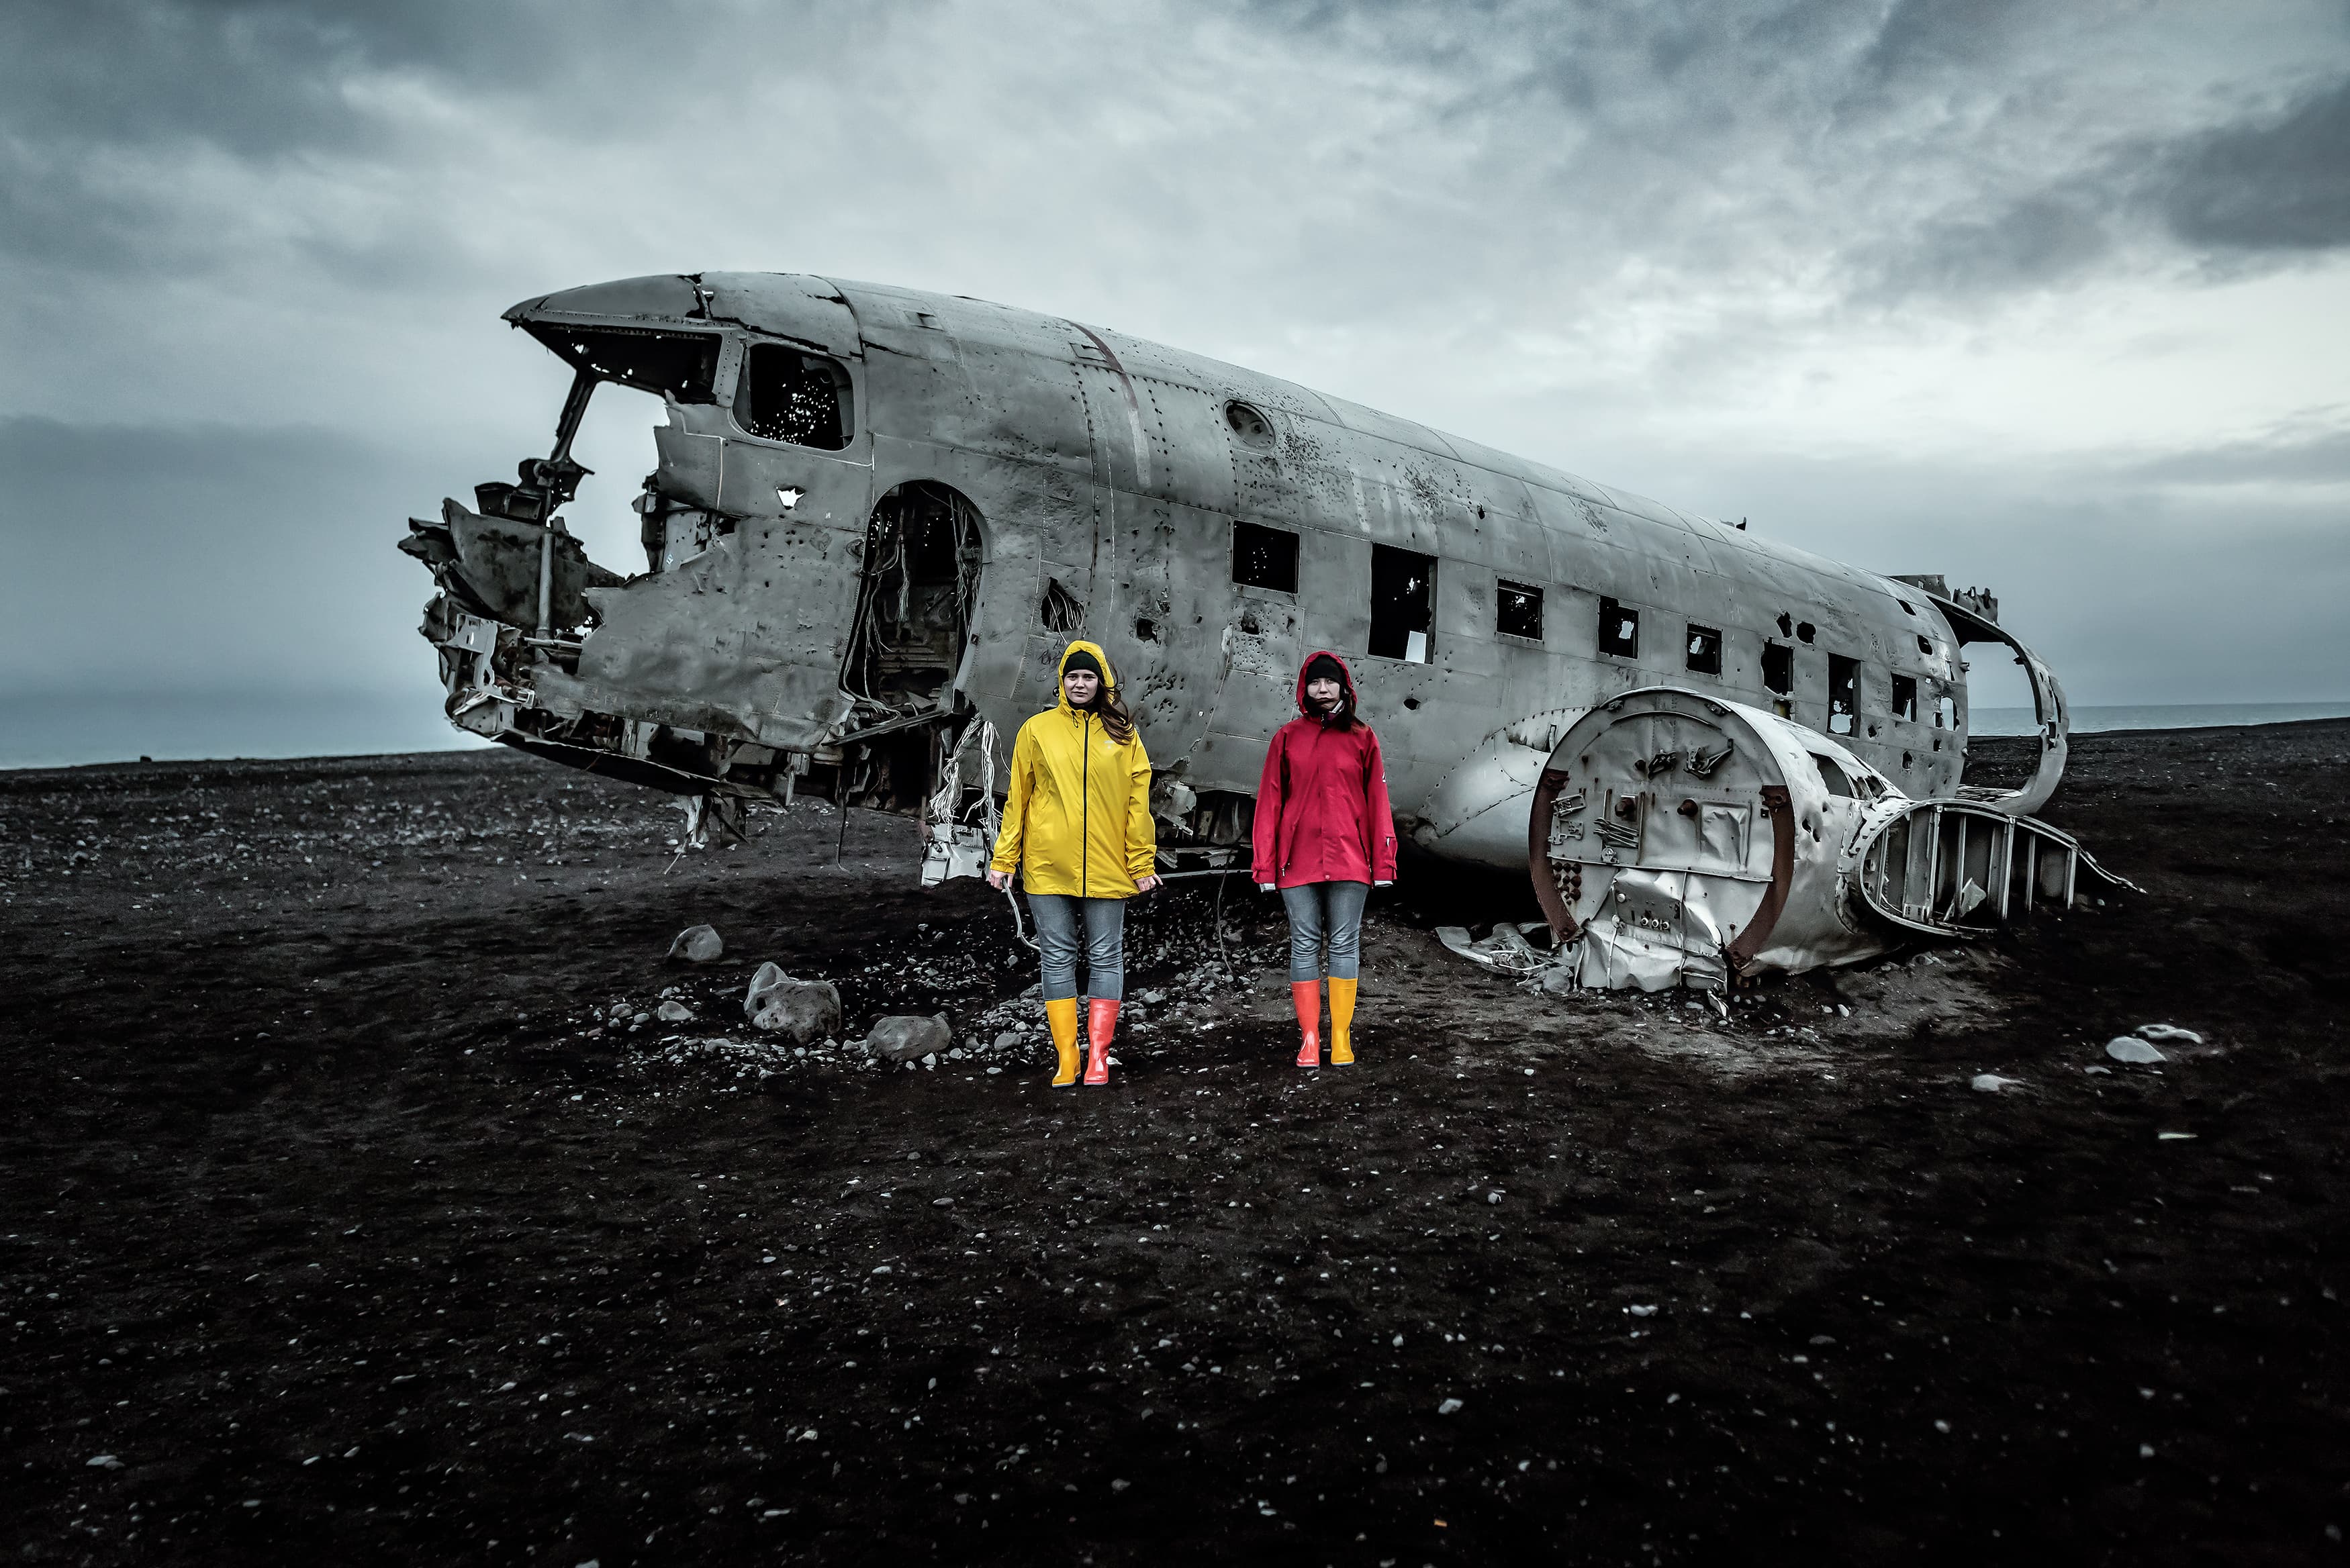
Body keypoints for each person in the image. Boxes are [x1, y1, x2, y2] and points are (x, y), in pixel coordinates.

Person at [988, 640, 1162, 1087]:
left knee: (1106, 956)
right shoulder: (1037, 730)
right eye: (1073, 676)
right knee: (1057, 957)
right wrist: (1005, 858)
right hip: (1047, 866)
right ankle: (1067, 1058)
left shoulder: (1124, 735)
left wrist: (1142, 862)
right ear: (1062, 683)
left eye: (1088, 677)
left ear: (1102, 682)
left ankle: (1099, 1057)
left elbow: (1137, 804)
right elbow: (1019, 801)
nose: (1080, 683)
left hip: (1108, 867)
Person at [1252, 650, 1397, 1068]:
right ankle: (1311, 1038)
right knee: (1303, 943)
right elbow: (1270, 802)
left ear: (1342, 687)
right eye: (1315, 682)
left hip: (1351, 859)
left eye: (1329, 682)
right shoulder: (1287, 738)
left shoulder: (1363, 737)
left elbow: (1377, 802)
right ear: (1305, 688)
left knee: (1345, 942)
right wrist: (1265, 865)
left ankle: (1341, 1036)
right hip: (1297, 862)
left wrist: (1384, 863)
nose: (1322, 688)